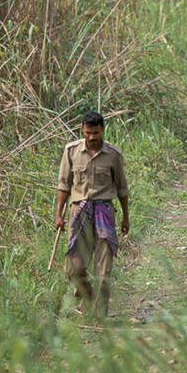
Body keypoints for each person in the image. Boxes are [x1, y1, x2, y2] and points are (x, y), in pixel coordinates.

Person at [55, 110, 129, 317]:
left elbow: (122, 189)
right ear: (83, 130)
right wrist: (59, 214)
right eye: (88, 133)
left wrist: (125, 217)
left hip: (104, 212)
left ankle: (99, 318)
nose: (91, 138)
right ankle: (87, 296)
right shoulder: (71, 151)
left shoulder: (113, 155)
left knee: (103, 270)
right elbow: (64, 185)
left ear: (102, 130)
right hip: (79, 213)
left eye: (95, 133)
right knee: (74, 268)